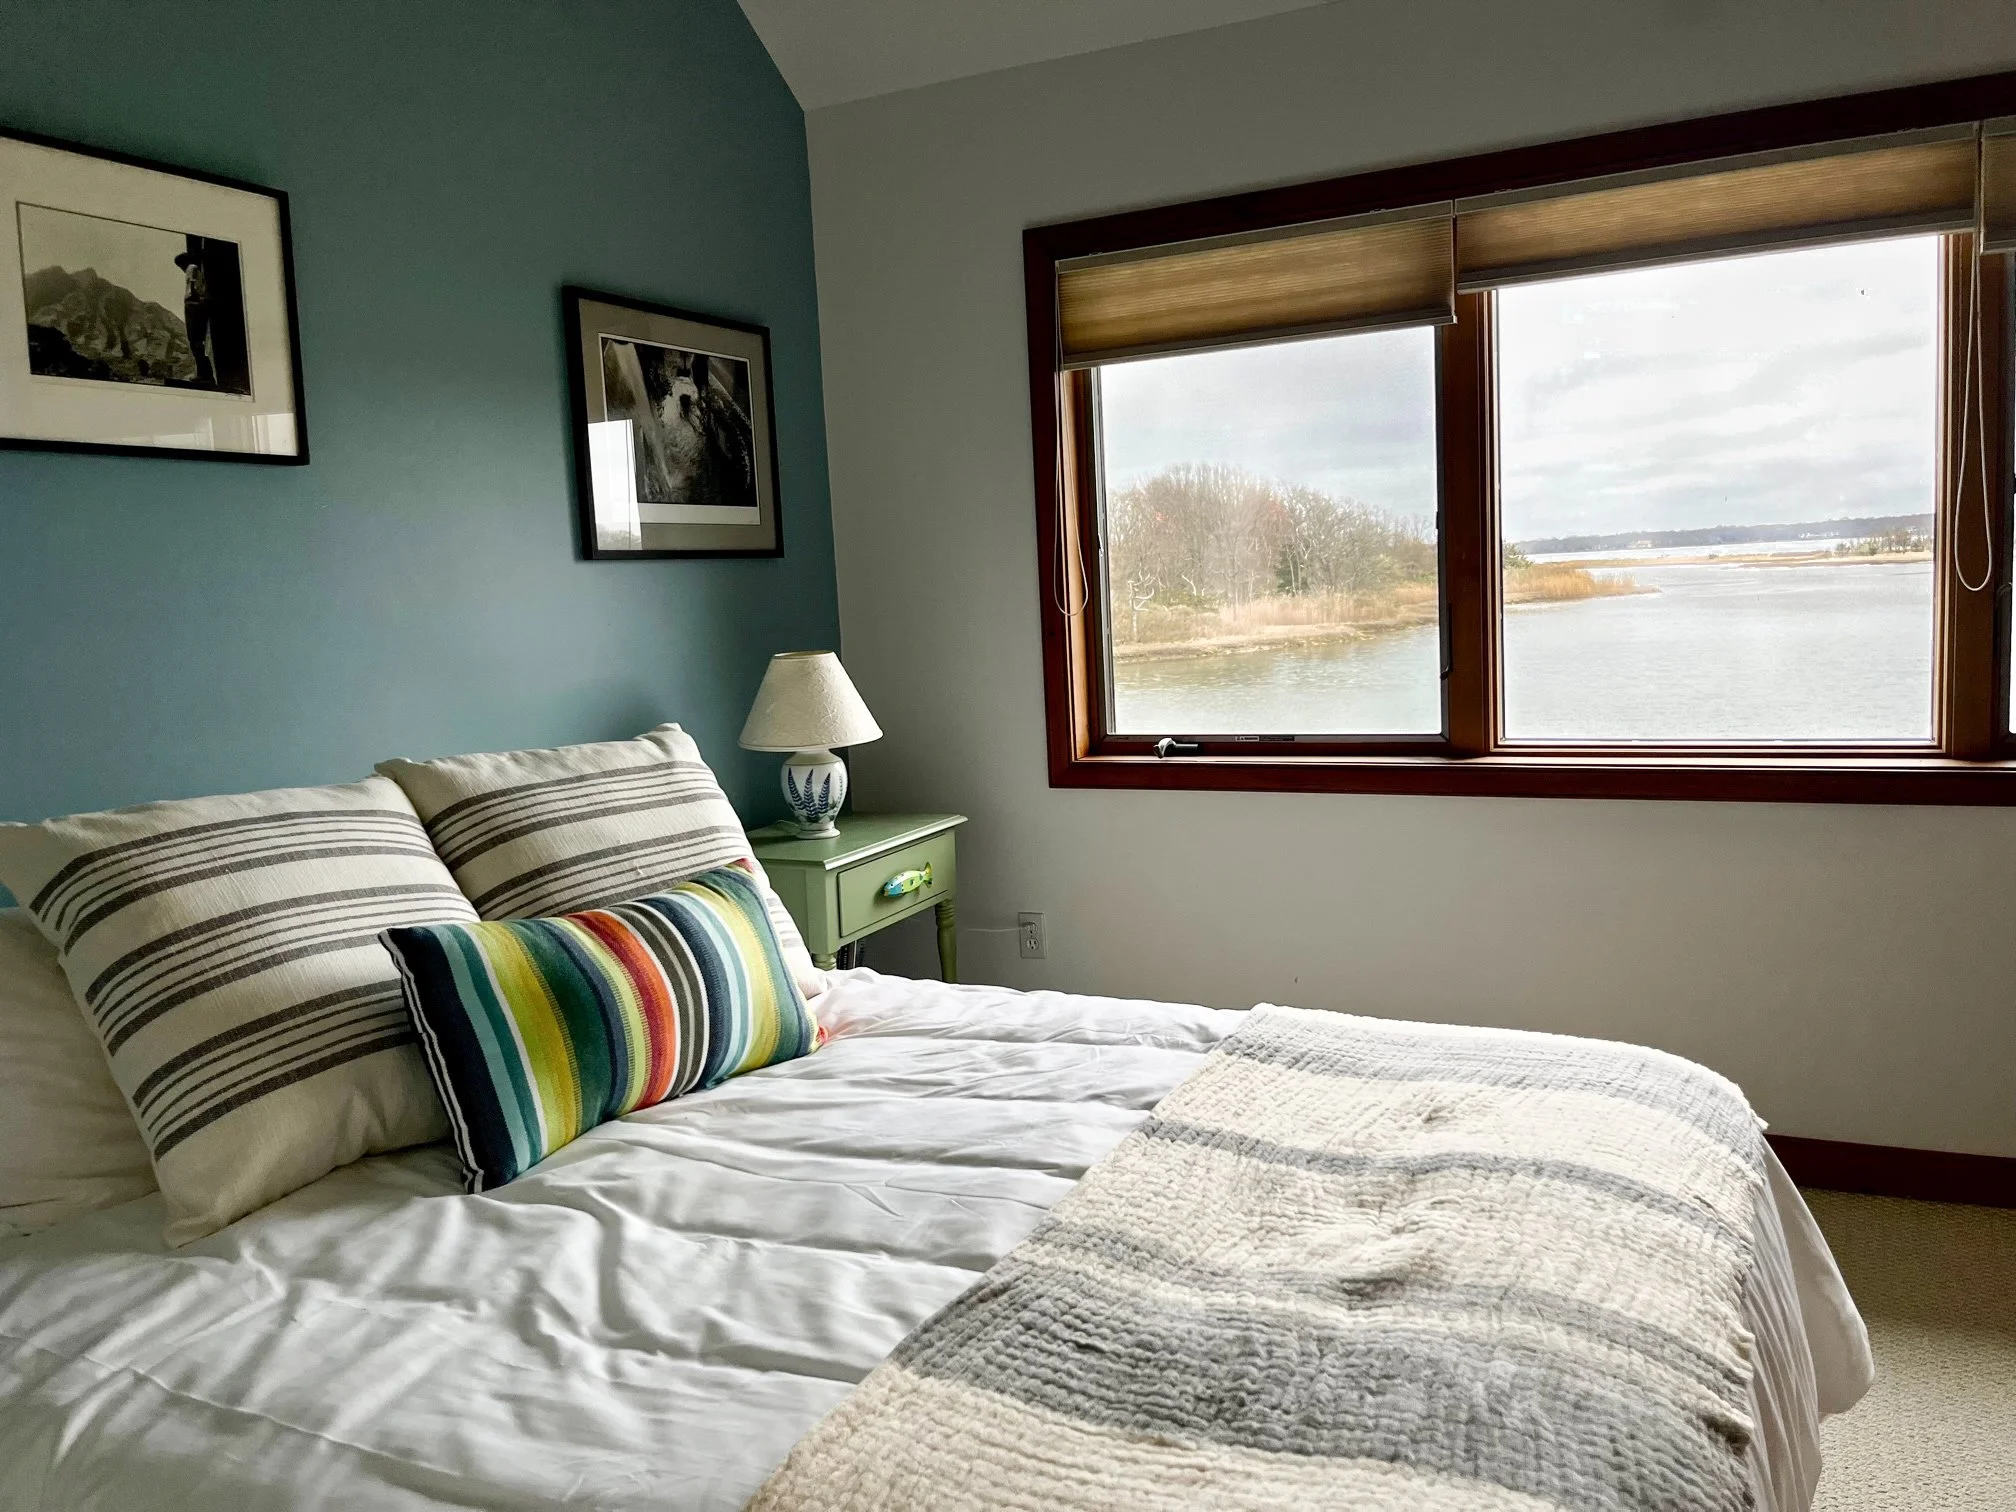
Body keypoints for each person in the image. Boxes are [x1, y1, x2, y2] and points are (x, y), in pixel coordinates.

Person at [174, 244, 213, 388]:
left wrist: (192, 304)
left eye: (180, 264)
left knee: (195, 341)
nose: (181, 268)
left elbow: (193, 286)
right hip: (196, 304)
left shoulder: (191, 268)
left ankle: (204, 374)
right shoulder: (193, 269)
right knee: (197, 342)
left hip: (194, 305)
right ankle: (204, 373)